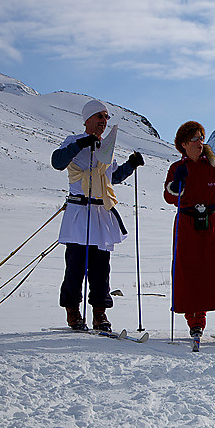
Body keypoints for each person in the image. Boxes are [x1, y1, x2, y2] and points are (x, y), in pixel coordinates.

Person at [52, 99, 144, 332]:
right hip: (79, 212)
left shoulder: (106, 148)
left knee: (101, 268)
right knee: (75, 266)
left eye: (106, 117)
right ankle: (73, 311)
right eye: (100, 116)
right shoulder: (73, 141)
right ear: (88, 119)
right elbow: (58, 162)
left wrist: (130, 165)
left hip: (100, 212)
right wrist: (82, 144)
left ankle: (99, 313)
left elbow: (111, 178)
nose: (104, 121)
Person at [163, 121, 215, 341]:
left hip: (212, 223)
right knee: (190, 272)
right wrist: (176, 185)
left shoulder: (213, 164)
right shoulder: (177, 168)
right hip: (187, 224)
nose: (200, 142)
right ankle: (196, 322)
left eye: (201, 138)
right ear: (183, 144)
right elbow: (169, 197)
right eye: (195, 139)